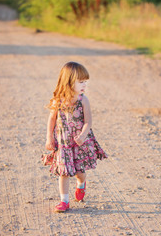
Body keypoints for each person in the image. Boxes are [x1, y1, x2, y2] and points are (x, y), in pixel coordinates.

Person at [42, 62, 107, 212]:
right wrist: (49, 138)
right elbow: (51, 120)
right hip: (63, 143)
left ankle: (81, 184)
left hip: (79, 143)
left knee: (79, 173)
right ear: (69, 82)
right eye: (81, 82)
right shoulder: (58, 101)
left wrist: (83, 135)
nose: (84, 85)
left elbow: (88, 121)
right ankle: (64, 201)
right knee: (63, 172)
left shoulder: (83, 100)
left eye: (85, 82)